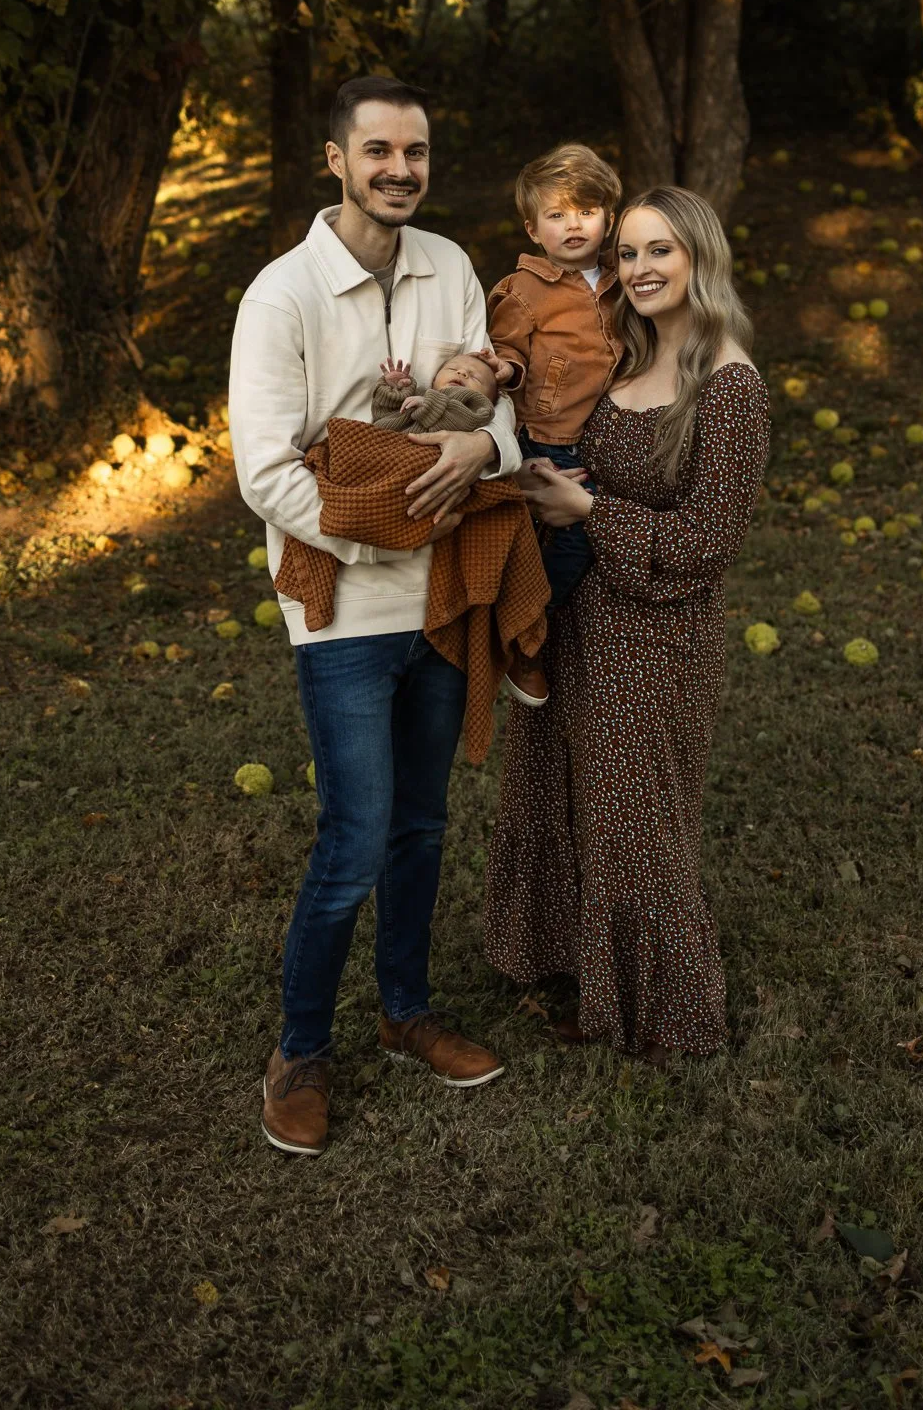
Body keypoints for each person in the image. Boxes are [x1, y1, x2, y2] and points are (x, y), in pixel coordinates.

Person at [229, 75, 522, 1157]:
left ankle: (406, 1012)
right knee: (354, 839)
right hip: (346, 603)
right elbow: (266, 470)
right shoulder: (281, 296)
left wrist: (482, 446)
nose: (401, 169)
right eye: (380, 151)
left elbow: (500, 408)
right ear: (337, 160)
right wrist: (381, 533)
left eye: (417, 151)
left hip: (443, 593)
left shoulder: (451, 266)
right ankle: (300, 1049)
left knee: (422, 825)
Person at [483, 184, 771, 1064]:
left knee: (635, 825)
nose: (639, 269)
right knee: (558, 792)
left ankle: (668, 1013)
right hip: (576, 613)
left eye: (660, 251)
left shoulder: (728, 384)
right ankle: (576, 966)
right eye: (629, 253)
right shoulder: (626, 352)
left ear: (699, 257)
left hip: (655, 637)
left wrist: (587, 510)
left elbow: (708, 542)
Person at [485, 143, 624, 705]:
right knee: (574, 541)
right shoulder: (525, 289)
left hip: (604, 434)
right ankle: (525, 632)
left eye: (586, 211)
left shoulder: (621, 278)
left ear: (608, 218)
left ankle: (539, 618)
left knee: (580, 536)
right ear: (532, 229)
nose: (574, 225)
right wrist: (507, 368)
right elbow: (505, 347)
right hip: (547, 435)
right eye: (557, 214)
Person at [371, 350, 500, 435]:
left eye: (475, 377)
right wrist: (393, 393)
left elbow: (464, 422)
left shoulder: (478, 409)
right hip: (382, 443)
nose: (462, 373)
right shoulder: (419, 395)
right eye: (452, 368)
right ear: (434, 380)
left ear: (489, 399)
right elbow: (383, 416)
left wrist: (430, 404)